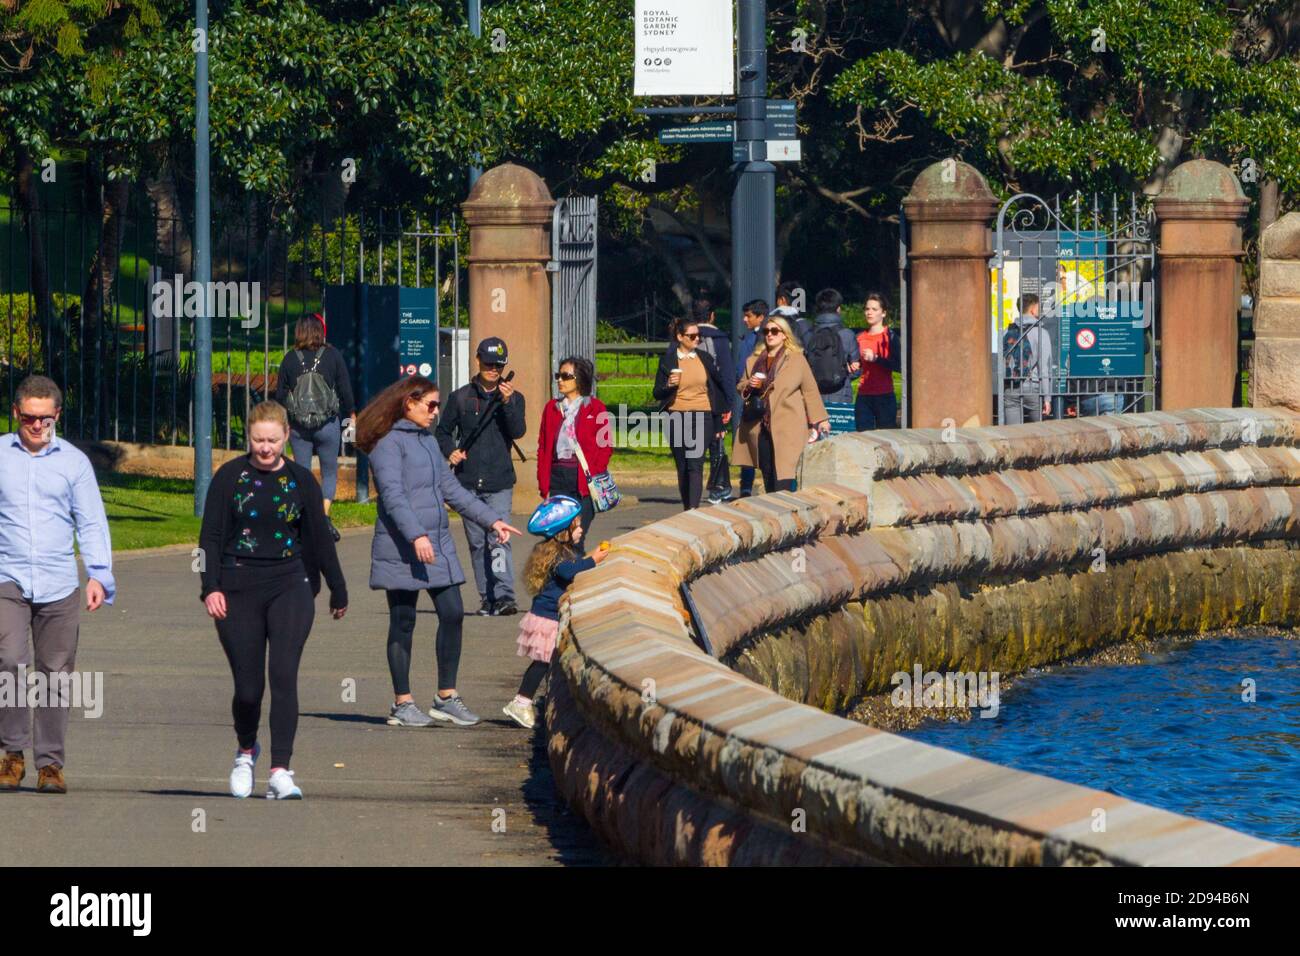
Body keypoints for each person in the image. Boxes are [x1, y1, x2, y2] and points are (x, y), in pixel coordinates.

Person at [198, 400, 348, 800]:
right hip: (237, 584)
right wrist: (209, 586)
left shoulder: (301, 480)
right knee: (248, 688)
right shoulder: (230, 476)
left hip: (290, 582)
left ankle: (281, 769)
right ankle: (246, 751)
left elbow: (319, 536)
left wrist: (337, 586)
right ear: (248, 437)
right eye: (258, 440)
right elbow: (210, 537)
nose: (265, 448)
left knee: (283, 675)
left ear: (286, 437)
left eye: (273, 440)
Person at [356, 376, 522, 729]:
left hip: (438, 543)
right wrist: (415, 535)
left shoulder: (428, 443)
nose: (435, 412)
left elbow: (453, 490)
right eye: (430, 405)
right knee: (403, 621)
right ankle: (402, 703)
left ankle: (445, 697)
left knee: (452, 613)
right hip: (403, 545)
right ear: (408, 403)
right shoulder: (387, 445)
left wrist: (493, 521)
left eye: (436, 405)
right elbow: (393, 496)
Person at [0, 376, 115, 795]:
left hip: (59, 581)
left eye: (44, 419)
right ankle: (12, 755)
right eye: (29, 417)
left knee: (55, 674)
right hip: (7, 576)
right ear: (16, 413)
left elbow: (90, 521)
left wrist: (100, 575)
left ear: (57, 416)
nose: (36, 425)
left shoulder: (73, 463)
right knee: (10, 661)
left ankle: (50, 763)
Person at [435, 337, 526, 617]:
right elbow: (442, 431)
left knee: (499, 539)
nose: (493, 369)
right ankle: (486, 597)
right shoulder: (460, 397)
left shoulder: (514, 398)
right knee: (477, 543)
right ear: (477, 361)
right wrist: (450, 451)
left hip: (499, 481)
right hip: (468, 482)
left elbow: (518, 431)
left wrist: (508, 402)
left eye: (498, 365)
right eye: (488, 363)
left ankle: (504, 596)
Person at [502, 496, 610, 729]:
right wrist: (594, 560)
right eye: (577, 525)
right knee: (542, 662)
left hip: (550, 614)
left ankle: (544, 701)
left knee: (551, 662)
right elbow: (568, 572)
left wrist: (590, 557)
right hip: (547, 617)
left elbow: (574, 566)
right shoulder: (558, 556)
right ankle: (521, 702)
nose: (581, 529)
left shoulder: (559, 550)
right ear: (563, 530)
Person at [275, 315, 355, 541]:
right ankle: (324, 517)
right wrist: (351, 412)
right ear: (321, 330)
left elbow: (280, 394)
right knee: (329, 471)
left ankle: (305, 518)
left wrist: (285, 420)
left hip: (299, 426)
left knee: (302, 472)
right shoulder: (333, 355)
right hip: (328, 423)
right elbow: (344, 388)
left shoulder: (290, 358)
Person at [734, 315, 830, 494]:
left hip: (788, 424)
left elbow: (810, 390)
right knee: (768, 473)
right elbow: (740, 386)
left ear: (785, 334)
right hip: (759, 424)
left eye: (774, 331)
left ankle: (785, 514)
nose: (770, 335)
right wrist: (749, 385)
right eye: (766, 331)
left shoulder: (796, 359)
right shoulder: (753, 360)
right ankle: (775, 515)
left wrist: (821, 419)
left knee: (784, 476)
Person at [654, 317, 731, 511]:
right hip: (676, 416)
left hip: (702, 415)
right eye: (692, 336)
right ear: (680, 337)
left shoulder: (704, 358)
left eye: (699, 335)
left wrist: (719, 421)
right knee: (683, 465)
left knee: (695, 463)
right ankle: (687, 507)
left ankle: (693, 510)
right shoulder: (668, 360)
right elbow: (657, 392)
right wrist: (669, 385)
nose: (697, 339)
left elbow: (717, 388)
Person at [536, 356, 611, 550]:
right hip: (558, 479)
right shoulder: (551, 409)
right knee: (558, 539)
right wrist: (544, 484)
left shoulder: (596, 408)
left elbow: (605, 446)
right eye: (558, 376)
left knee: (576, 537)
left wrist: (594, 473)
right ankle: (559, 579)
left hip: (583, 482)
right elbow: (543, 447)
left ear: (579, 379)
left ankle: (576, 578)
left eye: (565, 376)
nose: (560, 380)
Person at [678, 298, 736, 504]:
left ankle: (691, 488)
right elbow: (727, 374)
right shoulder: (719, 339)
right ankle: (717, 486)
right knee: (716, 441)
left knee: (690, 447)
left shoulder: (684, 336)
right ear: (712, 315)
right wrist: (728, 403)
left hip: (688, 400)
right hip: (714, 398)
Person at [803, 288, 861, 406]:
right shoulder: (847, 334)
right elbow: (857, 370)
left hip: (814, 393)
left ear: (818, 309)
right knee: (840, 424)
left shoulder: (808, 335)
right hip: (842, 392)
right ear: (838, 309)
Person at [1001, 293, 1054, 424]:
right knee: (1040, 433)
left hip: (1011, 387)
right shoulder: (1041, 333)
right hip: (1033, 387)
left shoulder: (1007, 331)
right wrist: (1047, 397)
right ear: (1033, 309)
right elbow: (1044, 368)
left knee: (1014, 433)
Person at [854, 292, 903, 430]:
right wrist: (854, 365)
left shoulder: (890, 337)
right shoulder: (859, 337)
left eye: (874, 309)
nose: (869, 312)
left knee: (886, 438)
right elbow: (857, 365)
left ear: (883, 313)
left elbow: (899, 366)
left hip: (884, 395)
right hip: (863, 395)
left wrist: (877, 359)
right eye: (867, 309)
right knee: (863, 438)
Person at [734, 299, 768, 497]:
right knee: (751, 440)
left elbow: (741, 368)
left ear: (760, 317)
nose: (744, 319)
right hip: (753, 396)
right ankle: (748, 485)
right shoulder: (749, 338)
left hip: (756, 398)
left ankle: (748, 485)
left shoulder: (753, 340)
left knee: (752, 441)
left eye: (748, 316)